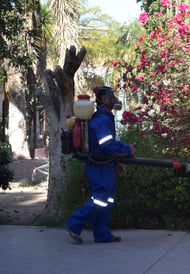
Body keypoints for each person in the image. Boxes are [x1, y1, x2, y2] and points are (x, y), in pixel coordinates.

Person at [66, 86, 136, 244]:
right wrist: (127, 149)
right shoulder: (101, 120)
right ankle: (74, 223)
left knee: (107, 201)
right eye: (113, 97)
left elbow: (107, 144)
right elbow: (106, 143)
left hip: (105, 165)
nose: (116, 100)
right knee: (100, 199)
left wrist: (116, 162)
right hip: (98, 167)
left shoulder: (106, 117)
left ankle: (102, 234)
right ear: (105, 100)